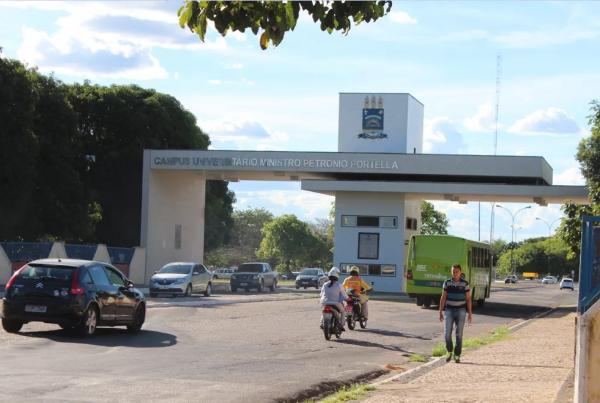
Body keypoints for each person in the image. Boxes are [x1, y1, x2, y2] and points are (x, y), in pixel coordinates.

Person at [439, 264, 472, 363]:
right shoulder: (447, 283)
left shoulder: (465, 284)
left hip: (461, 311)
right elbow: (443, 297)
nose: (455, 273)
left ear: (460, 272)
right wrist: (440, 311)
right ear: (451, 272)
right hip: (449, 310)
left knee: (459, 334)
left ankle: (457, 354)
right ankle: (449, 351)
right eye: (453, 271)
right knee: (447, 334)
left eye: (457, 271)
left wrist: (470, 313)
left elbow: (468, 299)